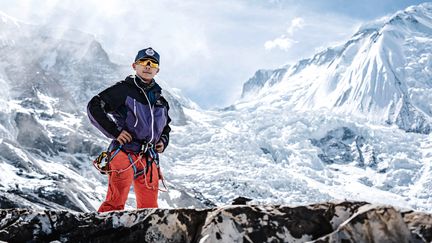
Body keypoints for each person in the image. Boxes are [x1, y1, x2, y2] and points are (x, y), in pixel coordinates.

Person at [87, 47, 171, 212]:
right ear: (134, 66)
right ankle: (102, 236)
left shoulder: (161, 100)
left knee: (149, 210)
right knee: (114, 204)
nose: (148, 66)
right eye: (144, 62)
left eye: (153, 63)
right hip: (124, 153)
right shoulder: (123, 90)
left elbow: (166, 126)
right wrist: (115, 132)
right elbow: (94, 106)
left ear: (157, 70)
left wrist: (163, 141)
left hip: (149, 158)